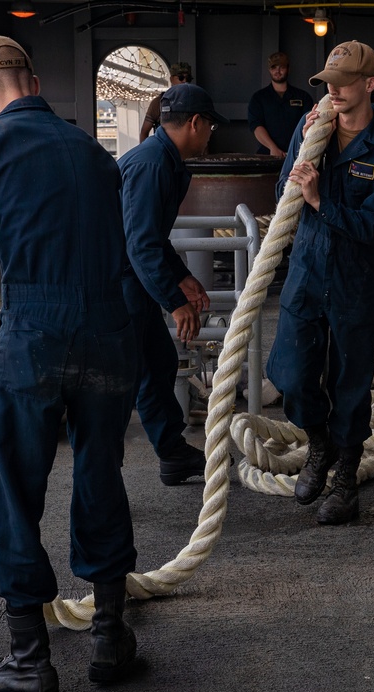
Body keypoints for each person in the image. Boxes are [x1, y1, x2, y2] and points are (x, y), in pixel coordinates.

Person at [0, 36, 139, 692]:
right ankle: (108, 639)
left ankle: (28, 663)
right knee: (101, 476)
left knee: (12, 486)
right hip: (110, 332)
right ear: (34, 81)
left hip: (33, 333)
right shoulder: (97, 155)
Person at [266, 40, 374, 525]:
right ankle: (319, 444)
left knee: (350, 384)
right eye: (327, 85)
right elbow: (282, 189)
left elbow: (371, 226)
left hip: (354, 281)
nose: (333, 93)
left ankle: (346, 476)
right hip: (307, 273)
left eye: (342, 84)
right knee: (288, 375)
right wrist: (303, 148)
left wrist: (318, 200)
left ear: (368, 84)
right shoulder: (313, 130)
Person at [118, 83, 227, 486]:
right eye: (210, 126)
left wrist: (182, 278)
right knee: (120, 382)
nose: (210, 134)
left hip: (135, 280)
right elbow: (140, 245)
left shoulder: (165, 159)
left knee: (157, 364)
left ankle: (172, 453)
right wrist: (174, 302)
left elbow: (153, 240)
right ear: (195, 123)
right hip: (119, 285)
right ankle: (104, 474)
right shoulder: (151, 165)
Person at [248, 51, 313, 157]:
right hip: (267, 155)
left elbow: (309, 126)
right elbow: (256, 126)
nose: (277, 71)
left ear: (288, 69)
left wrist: (299, 150)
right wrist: (273, 148)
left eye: (281, 67)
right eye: (274, 67)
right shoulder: (259, 98)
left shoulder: (303, 97)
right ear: (269, 70)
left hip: (298, 156)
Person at [138, 61, 192, 143]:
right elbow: (144, 133)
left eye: (188, 79)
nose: (185, 81)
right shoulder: (159, 103)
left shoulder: (194, 101)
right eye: (181, 78)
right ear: (171, 79)